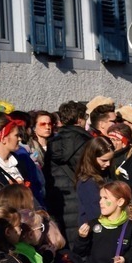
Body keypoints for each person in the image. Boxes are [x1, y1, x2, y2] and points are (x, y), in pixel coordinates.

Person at [44, 100, 92, 247]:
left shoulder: (52, 142)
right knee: (83, 245)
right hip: (81, 199)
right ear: (79, 119)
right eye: (85, 116)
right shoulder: (86, 142)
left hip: (59, 199)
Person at [74, 136, 116, 229]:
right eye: (104, 160)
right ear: (92, 158)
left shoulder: (105, 174)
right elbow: (95, 213)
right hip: (97, 229)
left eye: (110, 160)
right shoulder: (87, 183)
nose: (108, 164)